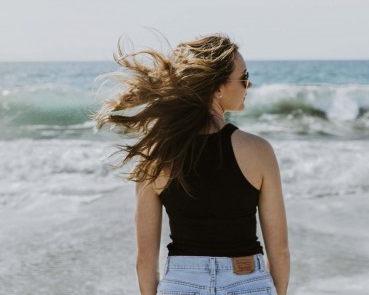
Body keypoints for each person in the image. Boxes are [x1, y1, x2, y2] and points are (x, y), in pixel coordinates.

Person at [94, 33, 290, 295]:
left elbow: (144, 259)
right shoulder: (258, 151)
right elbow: (280, 249)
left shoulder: (156, 154)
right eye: (244, 77)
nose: (249, 84)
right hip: (247, 281)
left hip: (180, 283)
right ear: (218, 88)